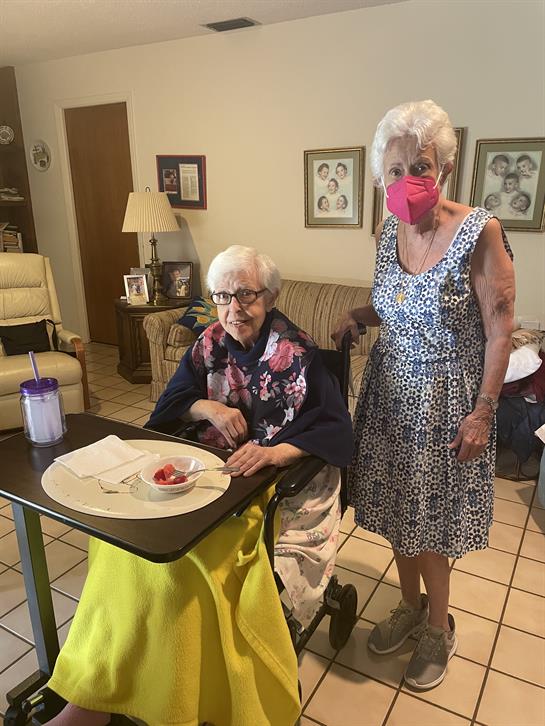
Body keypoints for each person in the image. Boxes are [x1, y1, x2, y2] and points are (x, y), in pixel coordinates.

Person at [45, 246, 353, 726]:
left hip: (265, 486)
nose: (234, 308)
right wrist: (208, 408)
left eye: (246, 295)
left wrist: (274, 452)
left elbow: (333, 430)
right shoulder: (208, 343)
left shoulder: (300, 356)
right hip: (204, 477)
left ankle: (178, 700)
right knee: (121, 546)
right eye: (223, 296)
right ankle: (97, 693)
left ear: (268, 296)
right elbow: (171, 403)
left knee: (185, 567)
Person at [332, 99, 515, 691]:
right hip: (388, 397)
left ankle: (439, 626)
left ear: (443, 170)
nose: (407, 181)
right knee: (394, 516)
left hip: (446, 404)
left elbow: (500, 327)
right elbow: (399, 306)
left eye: (421, 167)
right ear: (380, 176)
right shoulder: (388, 230)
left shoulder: (479, 231)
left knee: (432, 526)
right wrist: (358, 314)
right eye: (394, 170)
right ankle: (408, 609)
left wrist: (484, 409)